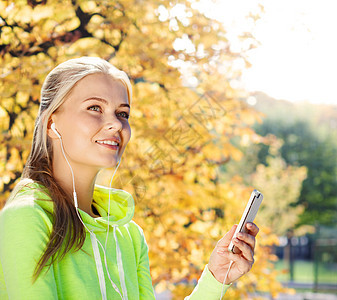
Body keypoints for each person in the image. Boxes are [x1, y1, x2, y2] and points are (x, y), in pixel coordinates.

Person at [0, 56, 259, 299]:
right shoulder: (28, 217)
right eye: (94, 108)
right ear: (51, 124)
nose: (115, 124)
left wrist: (215, 277)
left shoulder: (128, 235)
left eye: (122, 113)